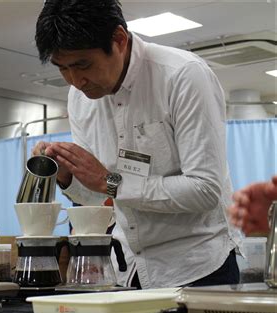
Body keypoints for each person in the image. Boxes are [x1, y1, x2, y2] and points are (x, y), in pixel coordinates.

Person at [33, 0, 241, 289]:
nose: (75, 80)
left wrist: (110, 181)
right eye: (62, 68)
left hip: (198, 268)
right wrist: (67, 177)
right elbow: (97, 197)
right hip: (129, 270)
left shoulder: (182, 76)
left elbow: (205, 190)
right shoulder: (79, 98)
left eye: (83, 64)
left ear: (118, 39)